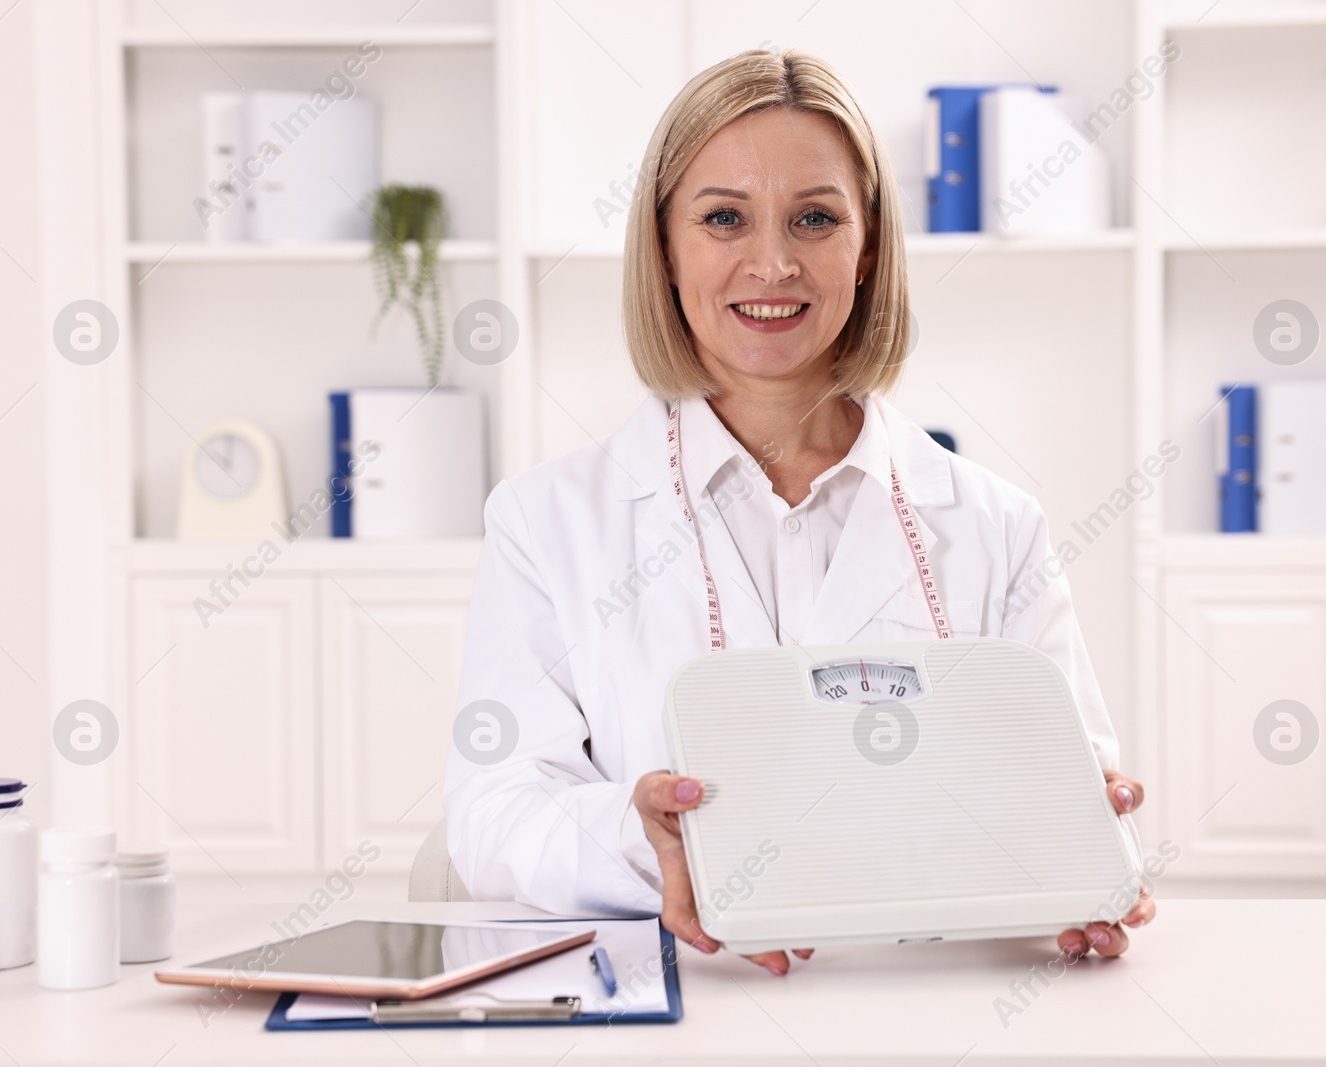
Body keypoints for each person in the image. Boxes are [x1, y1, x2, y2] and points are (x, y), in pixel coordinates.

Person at [444, 47, 1152, 976]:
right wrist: (642, 831)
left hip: (923, 1008)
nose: (771, 262)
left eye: (815, 218)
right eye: (724, 217)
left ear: (867, 251)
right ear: (664, 248)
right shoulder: (546, 521)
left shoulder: (995, 525)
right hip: (687, 999)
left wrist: (1077, 871)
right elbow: (492, 813)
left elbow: (1068, 792)